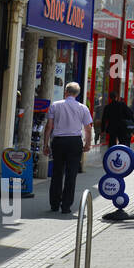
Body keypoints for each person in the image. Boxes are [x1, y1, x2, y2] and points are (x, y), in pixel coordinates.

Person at [42, 82, 93, 214]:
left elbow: (49, 127)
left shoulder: (55, 105)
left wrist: (45, 144)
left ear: (66, 92)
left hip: (58, 141)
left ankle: (54, 204)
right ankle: (66, 206)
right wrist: (88, 143)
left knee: (57, 173)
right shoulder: (83, 108)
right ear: (77, 93)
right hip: (74, 142)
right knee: (71, 174)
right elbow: (88, 128)